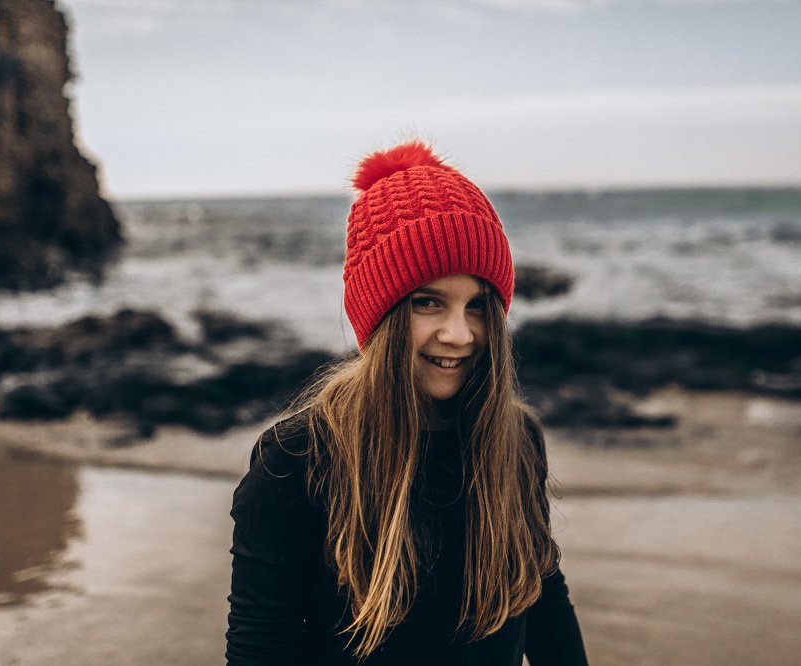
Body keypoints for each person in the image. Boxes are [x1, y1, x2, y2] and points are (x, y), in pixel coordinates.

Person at [226, 141, 589, 665]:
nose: (459, 334)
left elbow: (543, 597)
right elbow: (261, 649)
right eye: (428, 302)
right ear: (380, 316)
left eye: (478, 307)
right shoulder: (299, 459)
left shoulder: (515, 438)